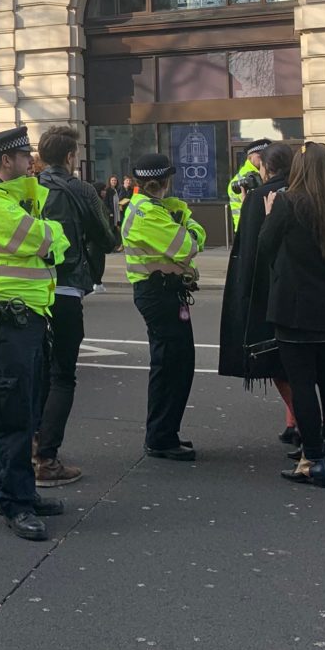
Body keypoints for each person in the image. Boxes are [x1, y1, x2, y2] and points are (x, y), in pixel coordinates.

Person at [0, 126, 68, 541]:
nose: (32, 162)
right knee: (12, 417)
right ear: (6, 161)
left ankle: (22, 491)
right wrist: (49, 237)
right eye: (25, 156)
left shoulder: (13, 199)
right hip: (9, 323)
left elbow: (58, 242)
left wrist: (50, 237)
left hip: (26, 319)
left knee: (26, 413)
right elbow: (46, 239)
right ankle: (14, 502)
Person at [257, 143, 325, 487]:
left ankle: (310, 458)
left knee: (302, 384)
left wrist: (270, 217)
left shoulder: (288, 201)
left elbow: (265, 247)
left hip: (295, 308)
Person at [34, 125, 118, 486]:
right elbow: (108, 237)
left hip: (32, 288)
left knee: (37, 371)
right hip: (67, 286)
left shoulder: (28, 188)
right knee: (63, 375)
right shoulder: (80, 188)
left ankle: (33, 443)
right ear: (70, 157)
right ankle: (47, 459)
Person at [121, 154, 205, 462]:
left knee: (175, 364)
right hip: (159, 293)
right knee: (172, 365)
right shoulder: (149, 213)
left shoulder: (152, 209)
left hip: (164, 292)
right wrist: (185, 221)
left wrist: (181, 221)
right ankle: (160, 437)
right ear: (165, 182)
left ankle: (165, 432)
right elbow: (190, 244)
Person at [217, 142, 298, 436]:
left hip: (270, 291)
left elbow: (252, 250)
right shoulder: (309, 192)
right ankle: (295, 421)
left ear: (267, 167)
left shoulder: (263, 197)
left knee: (278, 361)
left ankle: (300, 425)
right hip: (311, 292)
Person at [227, 138, 270, 234]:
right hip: (246, 229)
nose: (264, 159)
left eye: (266, 156)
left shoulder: (261, 174)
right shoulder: (246, 178)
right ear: (250, 157)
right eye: (260, 156)